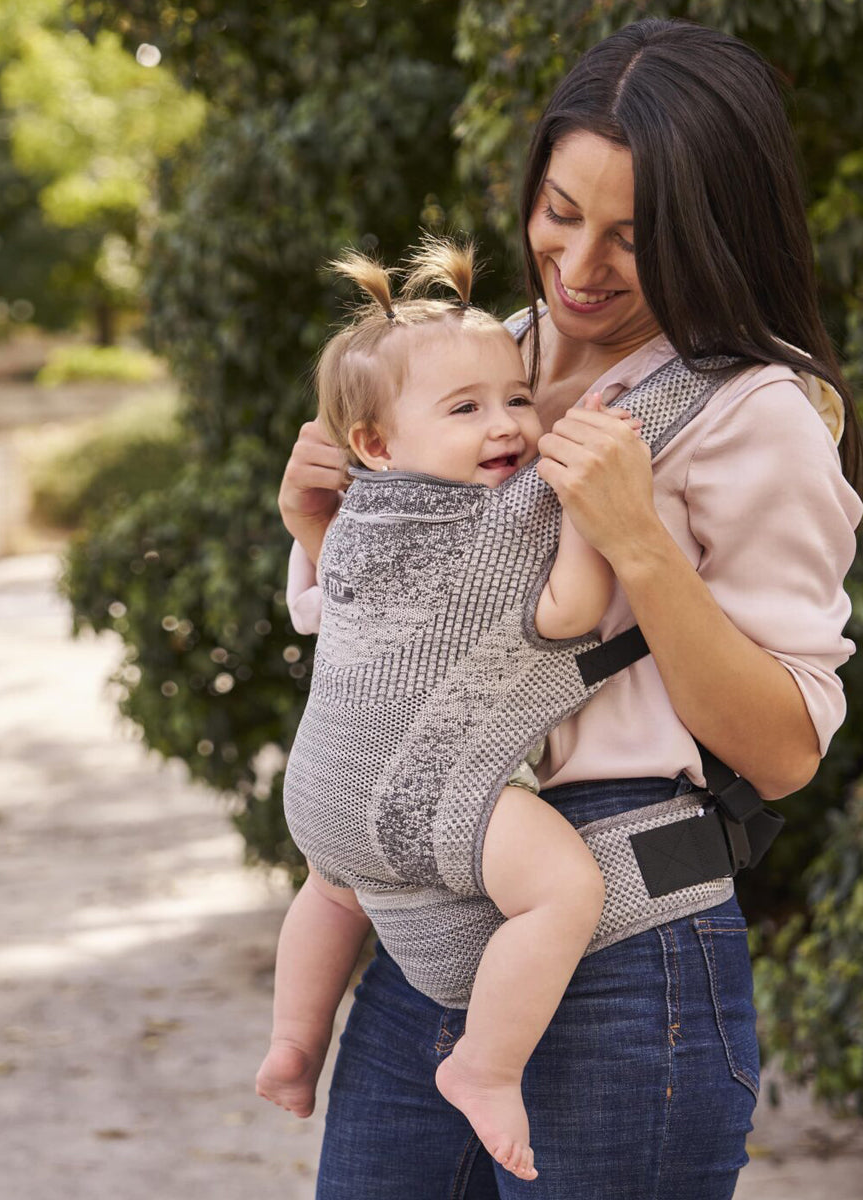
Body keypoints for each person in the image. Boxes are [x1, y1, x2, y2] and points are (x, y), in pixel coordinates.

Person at [278, 16, 863, 1199]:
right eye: (560, 212)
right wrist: (317, 532)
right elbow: (396, 647)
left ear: (712, 229)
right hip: (425, 943)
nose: (580, 266)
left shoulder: (757, 414)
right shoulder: (468, 361)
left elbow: (787, 746)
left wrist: (641, 544)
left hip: (622, 956)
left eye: (635, 237)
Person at [257, 235, 647, 1183]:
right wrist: (589, 522)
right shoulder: (496, 523)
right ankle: (486, 1064)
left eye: (518, 397)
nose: (508, 425)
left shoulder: (352, 522)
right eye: (465, 409)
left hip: (321, 792)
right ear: (377, 445)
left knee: (333, 889)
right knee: (563, 891)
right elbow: (570, 614)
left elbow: (331, 612)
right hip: (422, 795)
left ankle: (294, 1043)